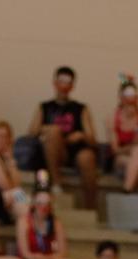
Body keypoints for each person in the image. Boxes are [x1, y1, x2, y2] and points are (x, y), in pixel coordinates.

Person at [31, 66, 100, 210]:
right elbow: (32, 132)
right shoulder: (44, 107)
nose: (64, 85)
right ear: (54, 83)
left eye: (67, 82)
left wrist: (81, 135)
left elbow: (93, 139)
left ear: (72, 86)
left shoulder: (81, 108)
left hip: (75, 151)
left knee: (87, 157)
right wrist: (47, 129)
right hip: (53, 151)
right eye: (61, 81)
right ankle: (57, 184)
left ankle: (90, 207)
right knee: (54, 132)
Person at [110, 77, 138, 195]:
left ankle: (127, 190)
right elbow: (115, 150)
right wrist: (132, 148)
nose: (129, 100)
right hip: (120, 159)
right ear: (121, 97)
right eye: (126, 96)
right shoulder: (112, 118)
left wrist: (136, 127)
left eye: (132, 96)